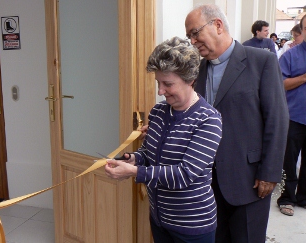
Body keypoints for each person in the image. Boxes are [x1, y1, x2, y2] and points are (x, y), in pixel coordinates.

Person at [185, 4, 289, 243]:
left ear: (217, 25)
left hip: (249, 180)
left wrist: (270, 173)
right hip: (206, 185)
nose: (192, 41)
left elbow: (277, 119)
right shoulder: (198, 71)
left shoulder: (261, 61)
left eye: (194, 32)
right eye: (189, 35)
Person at [105, 36, 223, 243]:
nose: (160, 91)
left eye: (168, 84)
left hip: (192, 225)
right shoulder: (159, 111)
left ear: (190, 79)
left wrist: (135, 172)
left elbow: (184, 174)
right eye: (158, 83)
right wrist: (134, 158)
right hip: (160, 219)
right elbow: (150, 153)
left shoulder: (208, 119)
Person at [277, 15, 306, 217]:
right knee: (289, 160)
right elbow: (280, 83)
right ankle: (286, 198)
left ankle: (303, 197)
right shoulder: (291, 55)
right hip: (294, 117)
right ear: (303, 30)